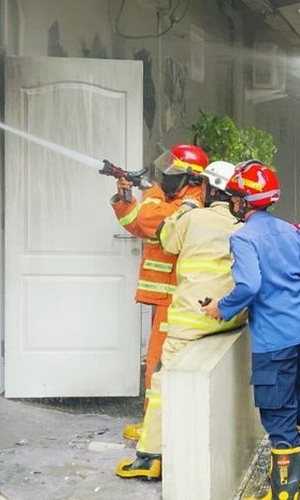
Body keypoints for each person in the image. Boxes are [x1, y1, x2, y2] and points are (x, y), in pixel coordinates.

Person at [202, 160, 300, 498]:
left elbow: (249, 285)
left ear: (243, 202)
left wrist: (221, 308)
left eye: (234, 197)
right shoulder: (292, 231)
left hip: (275, 344)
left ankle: (283, 492)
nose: (232, 202)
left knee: (279, 415)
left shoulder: (243, 238)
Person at [116, 161, 248, 480]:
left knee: (163, 380)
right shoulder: (242, 226)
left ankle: (150, 457)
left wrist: (183, 208)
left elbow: (167, 240)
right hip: (230, 318)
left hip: (192, 318)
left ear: (209, 189)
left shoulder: (194, 217)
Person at [110, 144, 207, 441]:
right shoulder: (173, 198)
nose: (164, 177)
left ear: (191, 178)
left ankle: (154, 431)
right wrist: (126, 200)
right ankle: (154, 425)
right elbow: (138, 225)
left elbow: (151, 218)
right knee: (157, 362)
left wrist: (150, 192)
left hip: (174, 300)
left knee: (157, 361)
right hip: (165, 298)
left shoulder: (192, 203)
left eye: (171, 172)